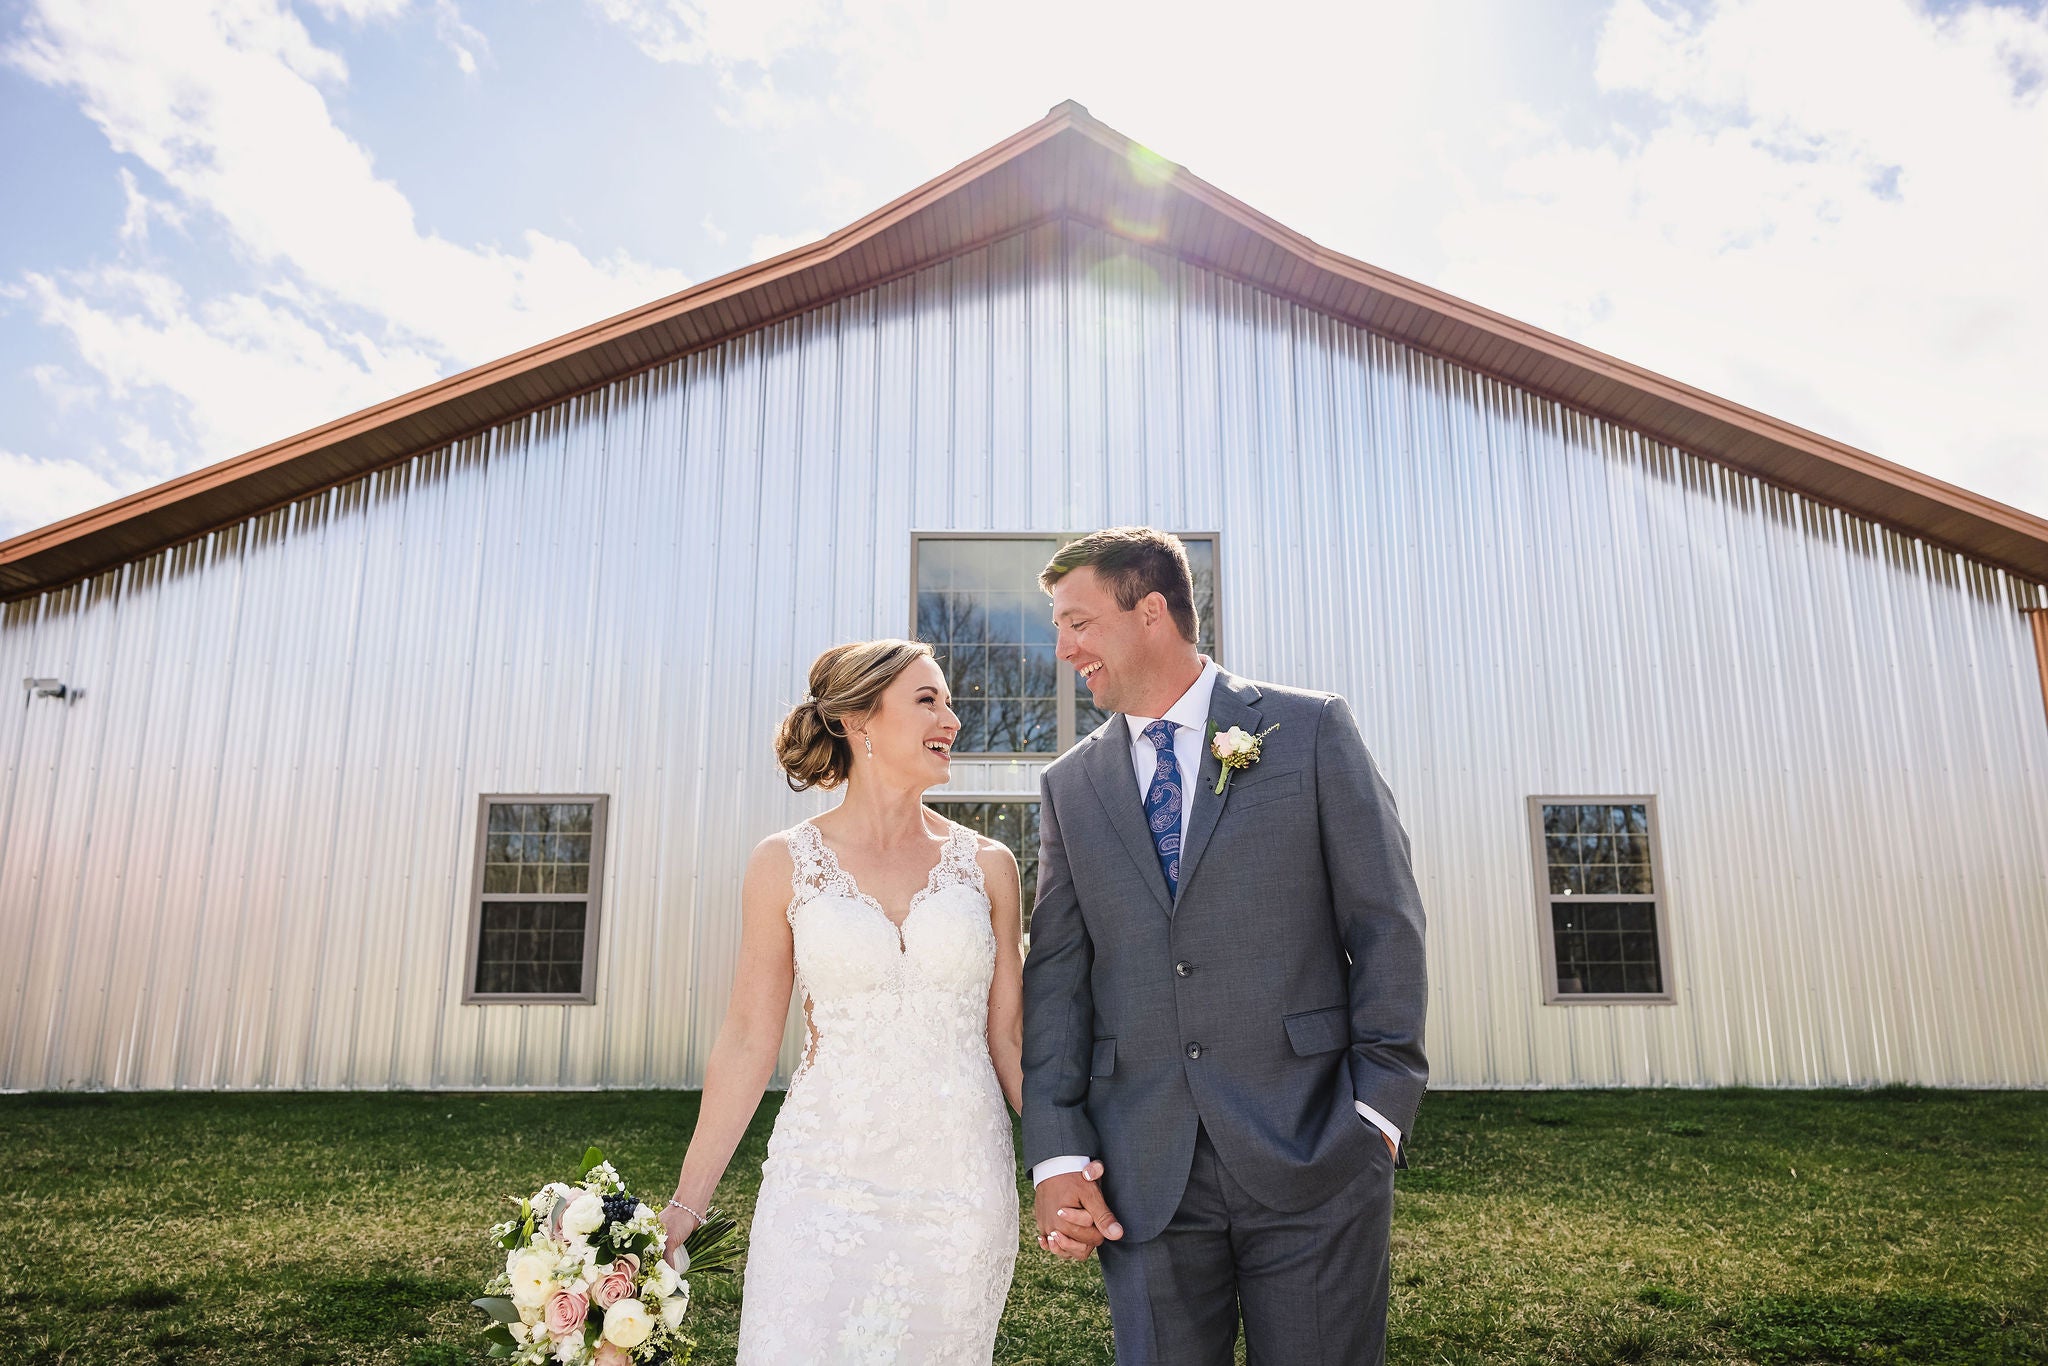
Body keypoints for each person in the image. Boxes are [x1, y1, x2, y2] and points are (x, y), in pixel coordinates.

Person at [1021, 527, 1428, 1365]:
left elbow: (1385, 921)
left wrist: (1378, 1113)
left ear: (1152, 612)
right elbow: (1059, 981)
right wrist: (1058, 1151)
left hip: (1316, 1147)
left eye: (1078, 623)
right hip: (1142, 1170)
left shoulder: (1308, 730)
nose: (1064, 650)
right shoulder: (1071, 786)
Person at [660, 639, 1023, 1363]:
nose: (952, 717)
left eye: (949, 701)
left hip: (960, 1189)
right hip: (821, 1181)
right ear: (860, 721)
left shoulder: (989, 867)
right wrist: (684, 1207)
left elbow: (1010, 1039)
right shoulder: (784, 863)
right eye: (929, 700)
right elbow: (748, 1039)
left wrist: (1067, 1169)